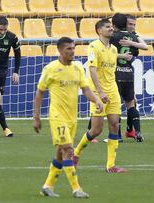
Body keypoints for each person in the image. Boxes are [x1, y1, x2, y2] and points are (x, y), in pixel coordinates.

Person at [33, 37, 103, 198]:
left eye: (73, 48)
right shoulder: (51, 69)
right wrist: (36, 117)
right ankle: (76, 188)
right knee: (68, 150)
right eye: (68, 49)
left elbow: (86, 89)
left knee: (60, 152)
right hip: (57, 116)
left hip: (72, 118)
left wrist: (97, 100)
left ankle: (47, 185)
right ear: (60, 50)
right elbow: (40, 93)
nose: (72, 51)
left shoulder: (78, 68)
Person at [72, 19, 132, 173]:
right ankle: (76, 153)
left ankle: (110, 166)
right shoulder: (93, 46)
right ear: (99, 30)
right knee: (96, 130)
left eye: (111, 26)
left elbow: (111, 62)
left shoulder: (112, 49)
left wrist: (123, 57)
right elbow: (92, 70)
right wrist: (100, 91)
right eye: (107, 27)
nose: (111, 28)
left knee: (114, 125)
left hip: (113, 91)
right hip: (98, 93)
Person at [110, 13, 147, 142]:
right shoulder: (132, 37)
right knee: (131, 104)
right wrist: (133, 38)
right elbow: (144, 47)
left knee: (115, 106)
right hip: (128, 73)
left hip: (115, 73)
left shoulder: (112, 37)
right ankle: (138, 133)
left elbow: (107, 53)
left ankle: (117, 136)